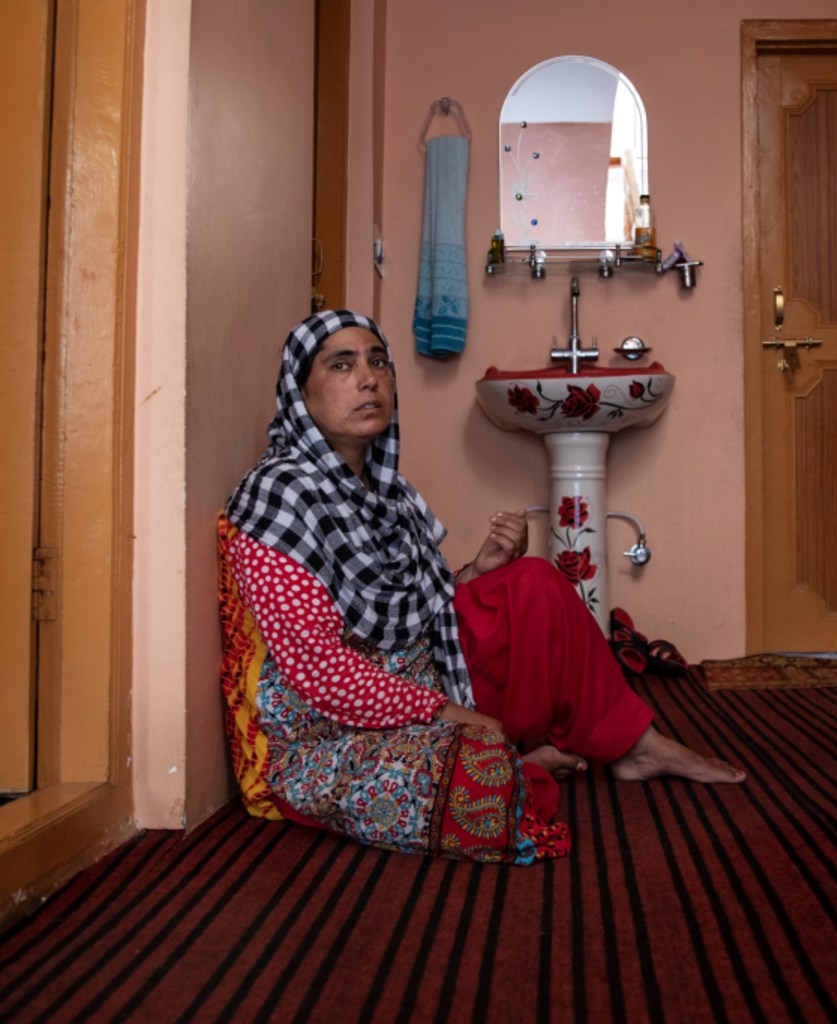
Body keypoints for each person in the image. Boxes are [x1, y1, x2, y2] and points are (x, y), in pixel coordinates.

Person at [218, 310, 744, 866]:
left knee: (535, 582)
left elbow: (415, 610)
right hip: (331, 726)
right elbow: (324, 672)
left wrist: (478, 570)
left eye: (378, 361)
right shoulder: (279, 498)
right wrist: (450, 713)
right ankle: (522, 763)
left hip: (420, 674)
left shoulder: (386, 492)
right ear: (299, 392)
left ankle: (637, 746)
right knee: (476, 775)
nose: (368, 379)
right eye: (341, 365)